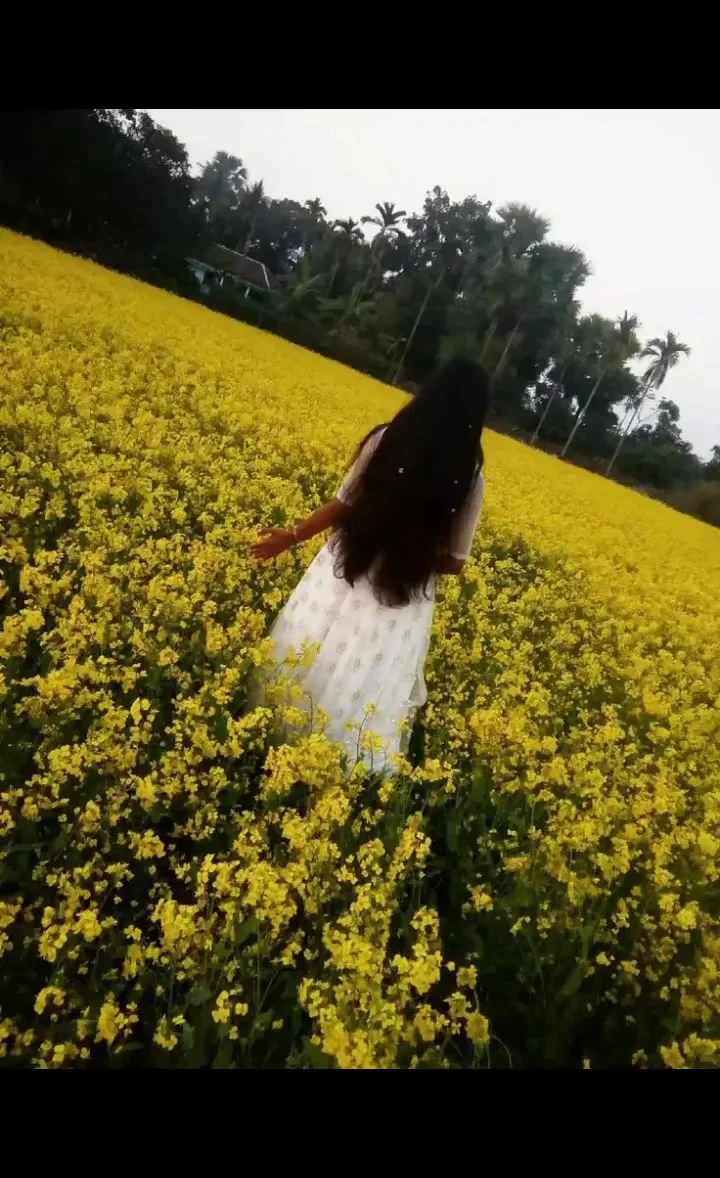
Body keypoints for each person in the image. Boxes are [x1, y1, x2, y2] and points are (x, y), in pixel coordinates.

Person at [251, 356, 489, 769]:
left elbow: (343, 504)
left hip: (346, 566)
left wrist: (290, 537)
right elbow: (455, 562)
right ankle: (336, 768)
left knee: (309, 650)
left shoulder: (385, 439)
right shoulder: (470, 477)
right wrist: (410, 549)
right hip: (400, 595)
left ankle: (268, 742)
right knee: (362, 681)